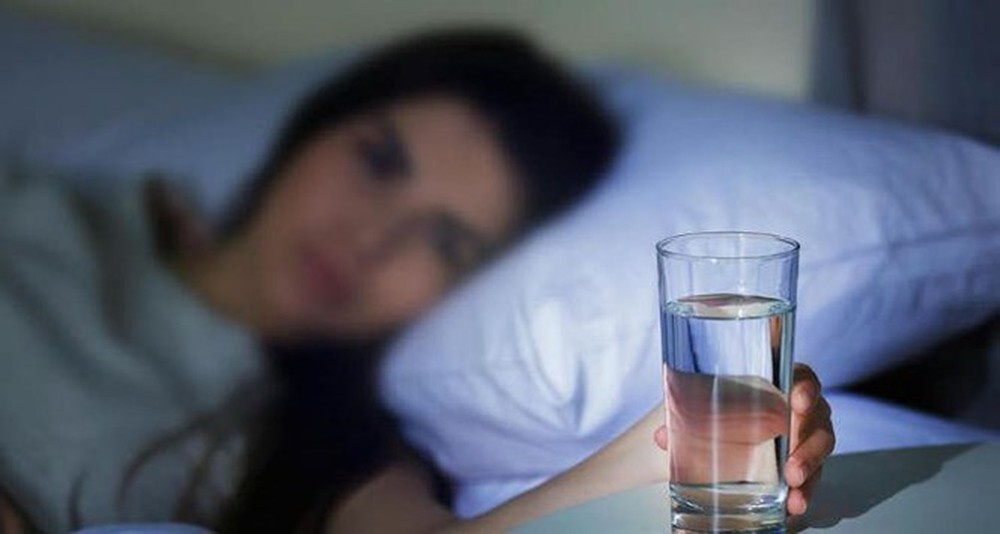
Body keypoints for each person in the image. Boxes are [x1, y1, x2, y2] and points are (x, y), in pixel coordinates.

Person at [0, 29, 833, 533]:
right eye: (378, 161)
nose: (373, 239)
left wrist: (669, 445)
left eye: (444, 240)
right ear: (314, 129)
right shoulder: (60, 210)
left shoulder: (318, 441)